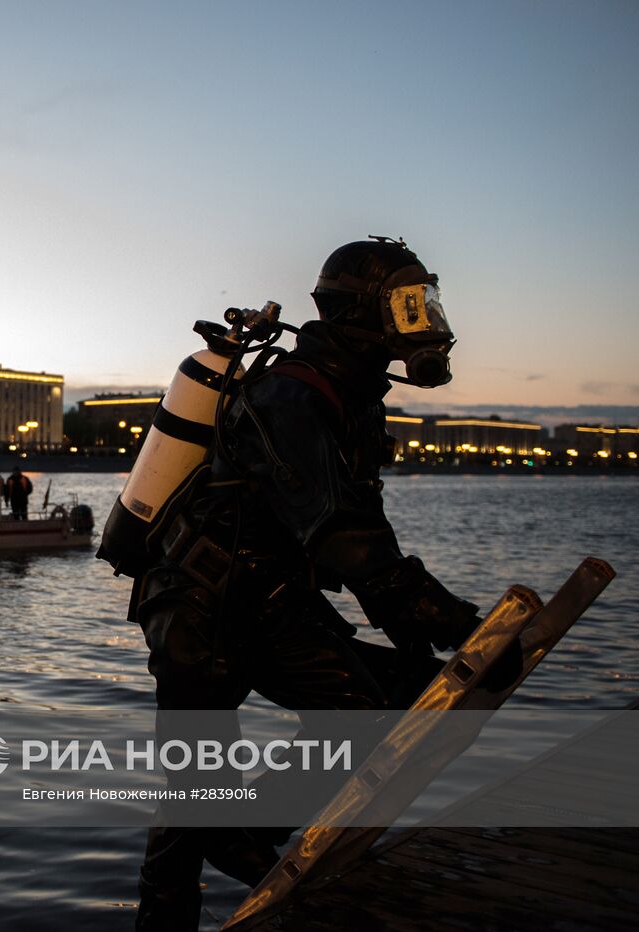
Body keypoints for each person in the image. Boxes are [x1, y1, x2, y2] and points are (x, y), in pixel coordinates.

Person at [117, 239, 500, 930]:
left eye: (425, 304)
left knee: (385, 701)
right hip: (201, 608)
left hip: (264, 600)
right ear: (362, 313)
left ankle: (240, 839)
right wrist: (457, 621)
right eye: (407, 307)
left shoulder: (349, 398)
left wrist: (408, 621)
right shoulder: (292, 394)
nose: (425, 323)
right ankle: (221, 859)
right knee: (198, 799)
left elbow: (359, 526)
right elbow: (343, 535)